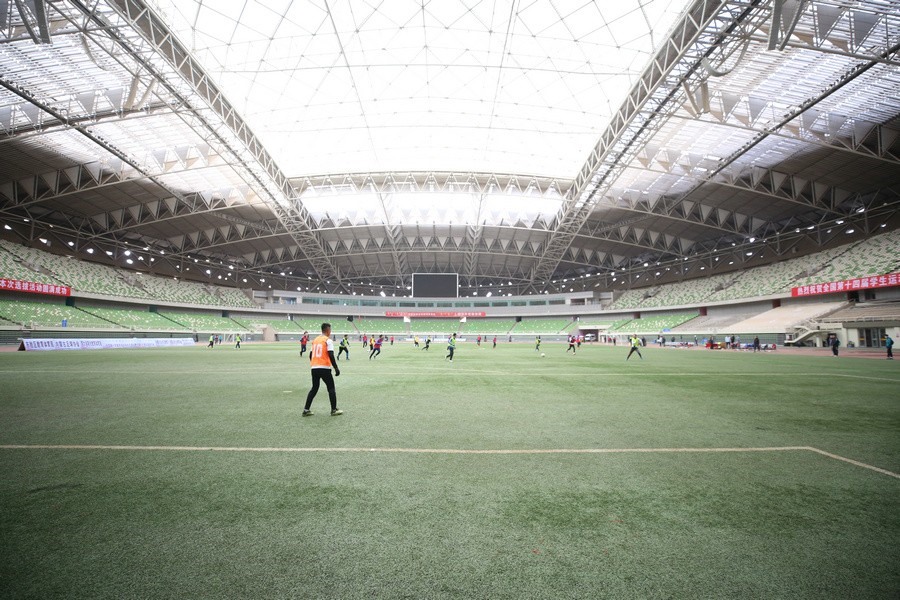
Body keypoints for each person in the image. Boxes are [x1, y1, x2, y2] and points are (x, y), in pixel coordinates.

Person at [303, 322, 342, 417]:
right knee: (331, 388)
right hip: (324, 368)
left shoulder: (315, 340)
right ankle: (333, 410)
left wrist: (314, 364)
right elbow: (331, 355)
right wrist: (336, 368)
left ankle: (306, 409)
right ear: (328, 330)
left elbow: (310, 355)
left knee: (314, 388)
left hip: (314, 368)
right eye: (330, 330)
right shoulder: (328, 340)